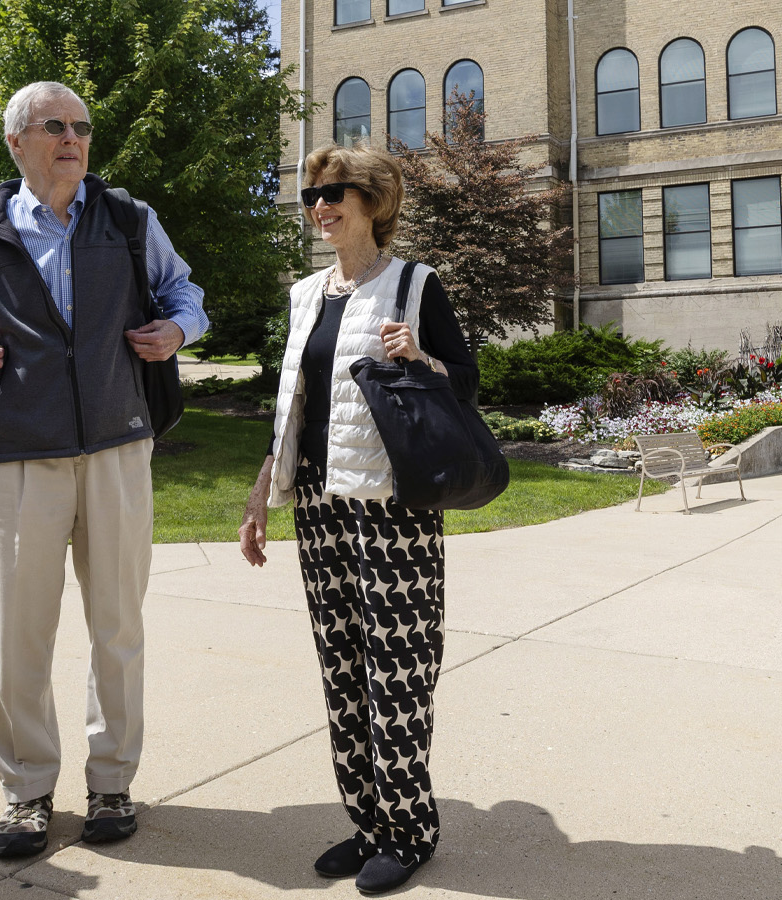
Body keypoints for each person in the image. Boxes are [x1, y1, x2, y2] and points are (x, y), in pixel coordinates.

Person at [0, 80, 208, 859]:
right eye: (54, 126)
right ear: (17, 143)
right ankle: (26, 792)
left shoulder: (131, 220)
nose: (72, 139)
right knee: (17, 638)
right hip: (14, 460)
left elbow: (186, 292)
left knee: (118, 628)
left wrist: (177, 328)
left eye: (82, 127)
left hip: (116, 448)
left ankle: (112, 784)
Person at [237, 143, 476, 896]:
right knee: (341, 666)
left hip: (390, 507)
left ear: (374, 200)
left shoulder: (414, 284)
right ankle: (367, 823)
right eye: (312, 194)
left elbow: (466, 384)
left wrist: (422, 359)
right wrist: (261, 494)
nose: (320, 205)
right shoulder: (307, 292)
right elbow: (294, 406)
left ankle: (410, 831)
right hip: (316, 500)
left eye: (336, 191)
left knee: (397, 669)